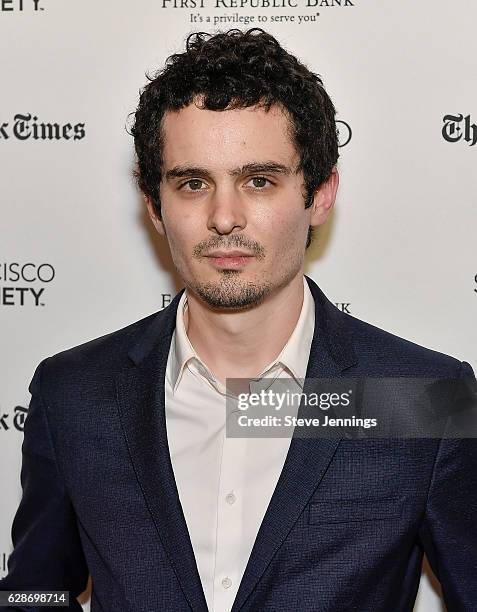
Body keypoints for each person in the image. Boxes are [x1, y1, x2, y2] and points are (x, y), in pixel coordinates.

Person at [1, 28, 476, 612]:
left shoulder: (422, 397)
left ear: (321, 194)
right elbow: (32, 589)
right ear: (154, 204)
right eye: (193, 183)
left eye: (259, 181)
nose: (224, 217)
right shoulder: (74, 393)